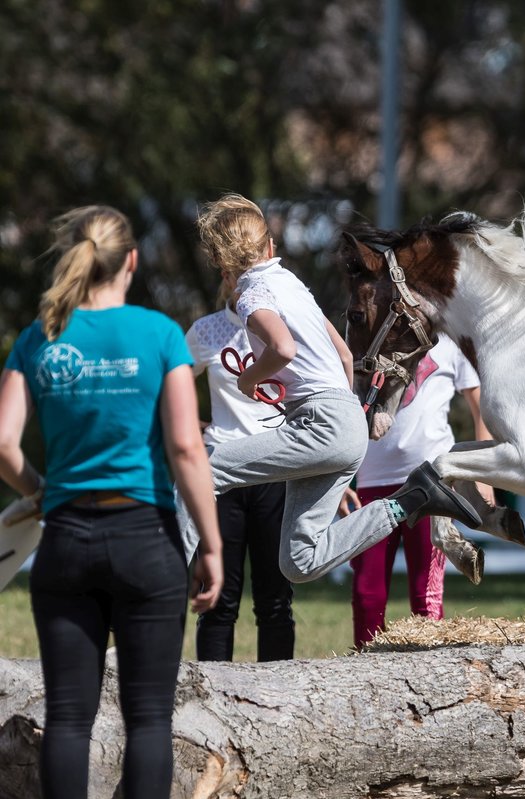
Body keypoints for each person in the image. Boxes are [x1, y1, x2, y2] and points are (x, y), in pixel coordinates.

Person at [0, 206, 223, 799]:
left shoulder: (39, 336)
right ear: (131, 261)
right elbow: (186, 449)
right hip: (145, 542)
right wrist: (209, 543)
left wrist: (40, 491)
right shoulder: (158, 334)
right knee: (148, 718)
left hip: (67, 542)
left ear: (73, 254)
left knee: (69, 717)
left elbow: (3, 442)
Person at [179, 194, 481, 583]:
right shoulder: (292, 284)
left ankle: (165, 581)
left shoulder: (252, 295)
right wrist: (354, 412)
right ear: (270, 246)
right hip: (342, 423)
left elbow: (283, 348)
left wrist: (247, 379)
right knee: (299, 562)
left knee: (203, 469)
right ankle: (411, 499)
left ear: (221, 262)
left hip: (319, 424)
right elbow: (342, 352)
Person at [341, 335, 494, 647]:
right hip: (371, 483)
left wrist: (482, 474)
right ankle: (364, 674)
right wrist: (341, 479)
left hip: (433, 484)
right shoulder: (368, 338)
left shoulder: (451, 343)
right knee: (366, 592)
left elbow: (481, 409)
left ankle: (431, 675)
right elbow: (341, 410)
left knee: (427, 593)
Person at [186, 290, 294, 662]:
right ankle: (212, 705)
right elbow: (170, 390)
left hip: (276, 469)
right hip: (221, 473)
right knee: (217, 601)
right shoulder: (206, 330)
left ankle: (280, 707)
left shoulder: (287, 324)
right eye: (233, 268)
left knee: (276, 602)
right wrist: (190, 430)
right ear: (223, 269)